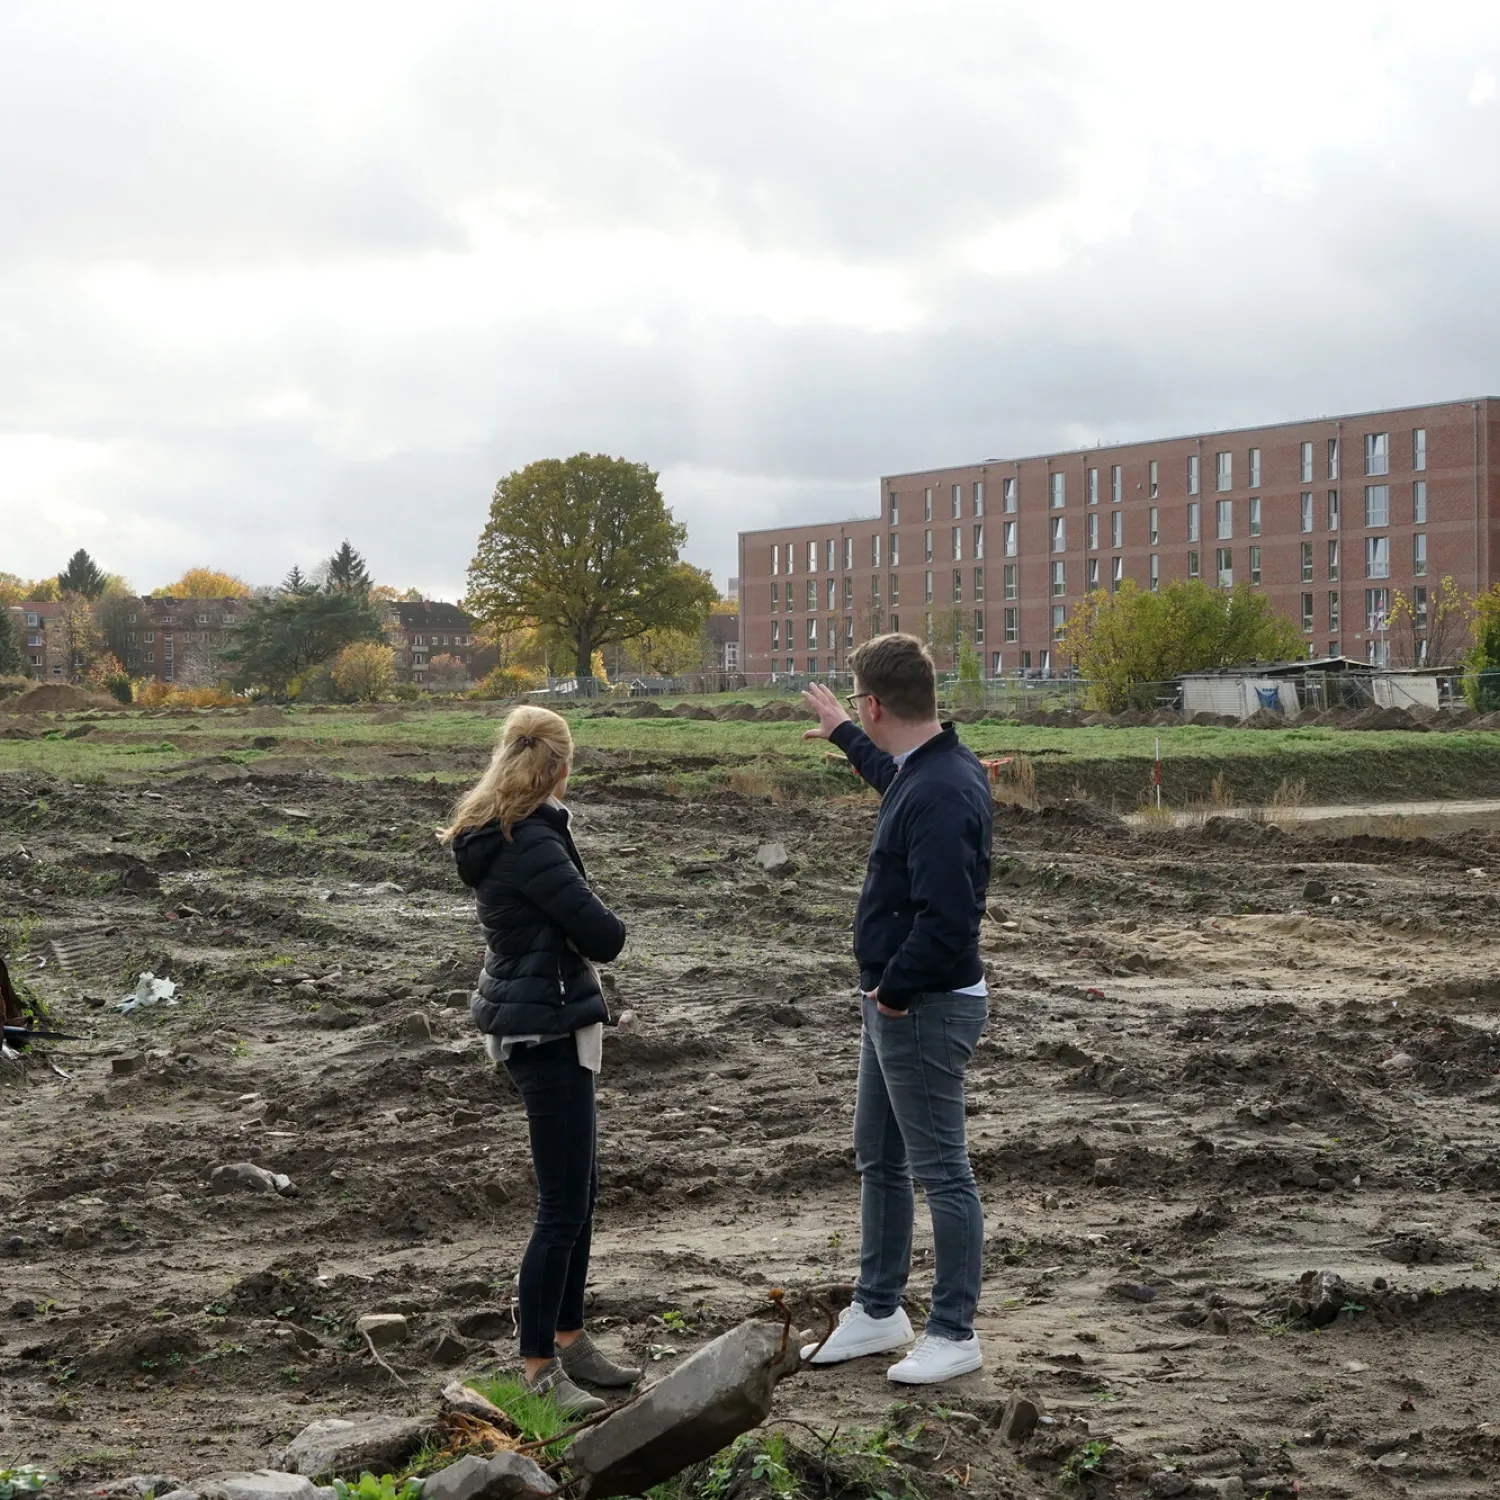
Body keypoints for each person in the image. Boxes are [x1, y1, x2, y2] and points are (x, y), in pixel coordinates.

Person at [799, 634, 993, 1385]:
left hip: (924, 1007)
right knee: (879, 1157)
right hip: (898, 1003)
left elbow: (949, 919)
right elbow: (891, 775)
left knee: (943, 1170)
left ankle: (954, 1330)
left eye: (858, 708)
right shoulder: (929, 769)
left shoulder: (943, 790)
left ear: (876, 702)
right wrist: (843, 734)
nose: (858, 716)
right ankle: (878, 1310)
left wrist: (895, 989)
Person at [440, 705, 641, 1417]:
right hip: (547, 1029)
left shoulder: (503, 833)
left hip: (539, 1020)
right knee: (561, 1206)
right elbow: (606, 935)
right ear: (558, 767)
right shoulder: (532, 842)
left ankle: (571, 1339)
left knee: (579, 1195)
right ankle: (538, 1369)